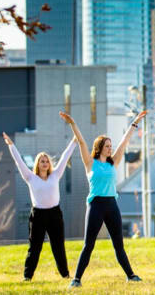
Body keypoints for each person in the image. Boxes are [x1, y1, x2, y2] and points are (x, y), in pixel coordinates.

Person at [62, 111, 146, 288]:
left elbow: (124, 142)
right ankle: (76, 279)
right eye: (107, 146)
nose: (110, 148)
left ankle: (131, 276)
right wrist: (72, 123)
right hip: (96, 205)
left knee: (119, 245)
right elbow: (82, 142)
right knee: (88, 245)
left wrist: (135, 122)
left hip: (111, 205)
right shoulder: (90, 163)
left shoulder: (112, 162)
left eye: (110, 145)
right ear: (99, 147)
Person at [3, 129, 76, 281]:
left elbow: (65, 157)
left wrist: (75, 140)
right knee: (35, 247)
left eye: (47, 161)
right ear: (37, 164)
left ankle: (65, 275)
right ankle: (27, 276)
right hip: (38, 216)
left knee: (58, 247)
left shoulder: (55, 175)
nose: (45, 163)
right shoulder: (30, 177)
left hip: (55, 214)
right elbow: (19, 161)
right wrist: (11, 145)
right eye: (42, 161)